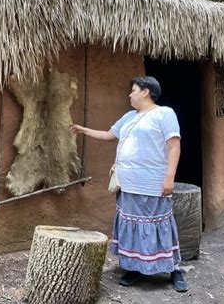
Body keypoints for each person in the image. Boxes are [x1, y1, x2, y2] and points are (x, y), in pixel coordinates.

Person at [70, 76, 189, 292]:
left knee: (158, 223)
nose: (130, 94)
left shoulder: (164, 114)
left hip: (153, 182)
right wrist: (83, 130)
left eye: (133, 90)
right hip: (128, 182)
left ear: (146, 92)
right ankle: (135, 267)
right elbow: (109, 135)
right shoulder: (129, 116)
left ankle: (173, 269)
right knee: (132, 224)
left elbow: (174, 146)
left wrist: (169, 177)